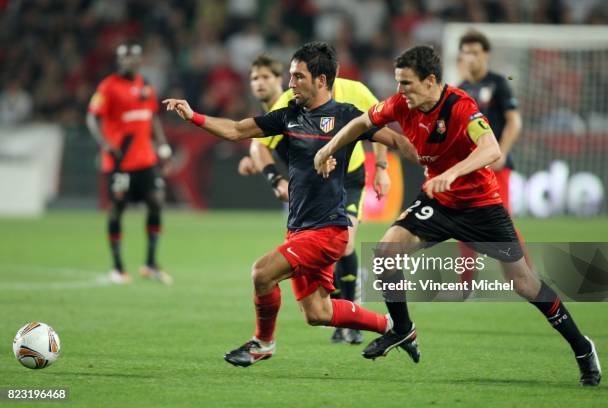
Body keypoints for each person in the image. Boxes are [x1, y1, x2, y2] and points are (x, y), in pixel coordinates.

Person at [314, 45, 601, 386]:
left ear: (431, 80)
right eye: (398, 82)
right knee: (386, 253)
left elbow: (492, 149)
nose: (400, 91)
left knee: (523, 283)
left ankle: (583, 348)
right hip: (437, 203)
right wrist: (328, 148)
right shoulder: (398, 104)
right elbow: (361, 123)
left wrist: (453, 173)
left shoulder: (460, 106)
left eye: (406, 83)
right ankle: (403, 330)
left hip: (480, 206)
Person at [164, 42, 416, 367]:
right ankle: (395, 327)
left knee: (261, 273)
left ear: (321, 80)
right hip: (299, 228)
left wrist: (430, 160)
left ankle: (262, 343)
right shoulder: (289, 115)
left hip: (328, 230)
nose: (290, 83)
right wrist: (193, 116)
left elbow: (394, 140)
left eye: (298, 77)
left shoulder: (346, 116)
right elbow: (238, 130)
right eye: (291, 76)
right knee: (318, 313)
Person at [238, 54, 392, 344]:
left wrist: (381, 169)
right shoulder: (291, 100)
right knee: (318, 257)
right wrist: (273, 177)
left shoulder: (355, 91)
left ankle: (351, 315)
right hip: (313, 185)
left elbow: (379, 127)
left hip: (350, 176)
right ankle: (342, 310)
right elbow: (258, 146)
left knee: (344, 242)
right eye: (255, 78)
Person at [86, 43, 173, 285]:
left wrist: (163, 146)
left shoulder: (145, 85)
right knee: (117, 210)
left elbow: (153, 116)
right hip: (120, 161)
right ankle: (117, 267)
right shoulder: (108, 86)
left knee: (156, 202)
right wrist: (105, 144)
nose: (128, 62)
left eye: (133, 57)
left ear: (139, 60)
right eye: (124, 57)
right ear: (118, 60)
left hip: (146, 159)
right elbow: (92, 117)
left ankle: (151, 264)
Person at [457, 29, 529, 288]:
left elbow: (514, 121)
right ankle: (464, 283)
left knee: (502, 222)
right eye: (466, 52)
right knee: (461, 221)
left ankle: (525, 274)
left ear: (485, 54)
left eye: (476, 52)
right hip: (470, 168)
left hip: (496, 165)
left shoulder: (497, 83)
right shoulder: (461, 89)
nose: (471, 57)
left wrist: (503, 151)